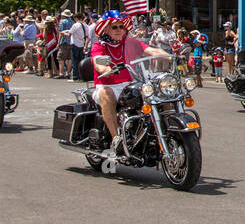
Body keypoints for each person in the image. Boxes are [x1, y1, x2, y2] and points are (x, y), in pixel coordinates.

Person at [89, 12, 171, 158]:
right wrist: (105, 69)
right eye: (114, 27)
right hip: (107, 84)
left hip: (131, 84)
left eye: (121, 26)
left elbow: (149, 50)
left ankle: (167, 131)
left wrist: (167, 55)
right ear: (106, 29)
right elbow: (97, 61)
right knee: (106, 94)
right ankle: (116, 140)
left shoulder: (131, 42)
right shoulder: (98, 45)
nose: (119, 29)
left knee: (160, 93)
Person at [68, 14, 86, 82]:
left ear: (76, 18)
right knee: (80, 61)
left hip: (75, 44)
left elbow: (70, 33)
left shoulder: (75, 25)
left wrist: (63, 33)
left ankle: (75, 77)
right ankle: (81, 76)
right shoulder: (85, 25)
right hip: (82, 44)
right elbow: (87, 35)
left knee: (75, 61)